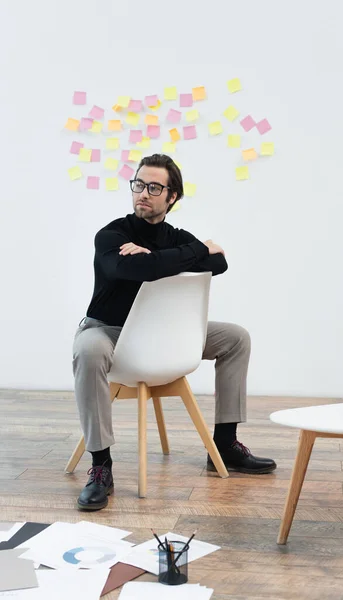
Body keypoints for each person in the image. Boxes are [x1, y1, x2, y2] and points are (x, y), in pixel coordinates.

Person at [73, 153, 277, 511]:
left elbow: (218, 263)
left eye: (154, 187)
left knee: (236, 338)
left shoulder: (176, 236)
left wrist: (154, 256)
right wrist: (192, 251)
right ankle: (100, 465)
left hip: (164, 337)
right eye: (138, 184)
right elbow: (131, 269)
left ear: (172, 197)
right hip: (110, 333)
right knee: (87, 351)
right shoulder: (111, 235)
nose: (143, 193)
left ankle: (225, 445)